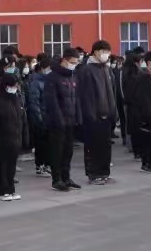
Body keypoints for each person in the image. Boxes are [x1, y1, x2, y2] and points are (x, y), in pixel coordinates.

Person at [77, 41, 118, 184]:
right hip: (94, 115)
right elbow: (85, 95)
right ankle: (94, 174)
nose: (106, 54)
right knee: (93, 146)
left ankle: (104, 172)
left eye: (108, 51)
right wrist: (90, 115)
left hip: (107, 114)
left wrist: (113, 112)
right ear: (95, 52)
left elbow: (112, 92)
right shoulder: (87, 70)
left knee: (105, 146)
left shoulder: (106, 69)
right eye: (104, 51)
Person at [0, 73, 28, 201]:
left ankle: (11, 189)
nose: (15, 88)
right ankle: (3, 191)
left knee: (11, 167)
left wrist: (25, 137)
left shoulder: (17, 100)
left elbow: (23, 120)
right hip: (2, 140)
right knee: (2, 166)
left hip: (15, 139)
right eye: (13, 85)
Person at [43, 48, 81, 191]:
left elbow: (75, 99)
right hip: (57, 122)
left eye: (76, 63)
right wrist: (59, 121)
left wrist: (77, 117)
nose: (74, 65)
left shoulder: (72, 76)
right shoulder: (53, 77)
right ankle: (57, 179)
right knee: (57, 151)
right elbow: (51, 102)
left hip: (70, 120)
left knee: (68, 151)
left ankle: (66, 177)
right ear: (65, 60)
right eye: (72, 62)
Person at [27, 61, 50, 178]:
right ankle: (40, 166)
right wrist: (39, 117)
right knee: (41, 144)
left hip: (49, 117)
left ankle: (47, 165)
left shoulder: (49, 81)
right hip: (40, 118)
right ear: (42, 68)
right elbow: (34, 102)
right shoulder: (35, 82)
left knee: (48, 144)